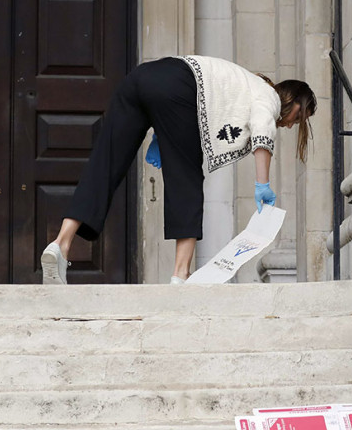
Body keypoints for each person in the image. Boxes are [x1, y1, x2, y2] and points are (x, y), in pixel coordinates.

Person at [41, 55, 317, 284]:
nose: (292, 124)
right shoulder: (266, 94)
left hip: (141, 79)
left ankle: (61, 244)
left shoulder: (244, 85)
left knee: (106, 162)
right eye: (298, 117)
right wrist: (262, 183)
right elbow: (261, 130)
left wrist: (161, 134)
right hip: (178, 85)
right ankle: (180, 274)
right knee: (186, 179)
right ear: (292, 101)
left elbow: (198, 107)